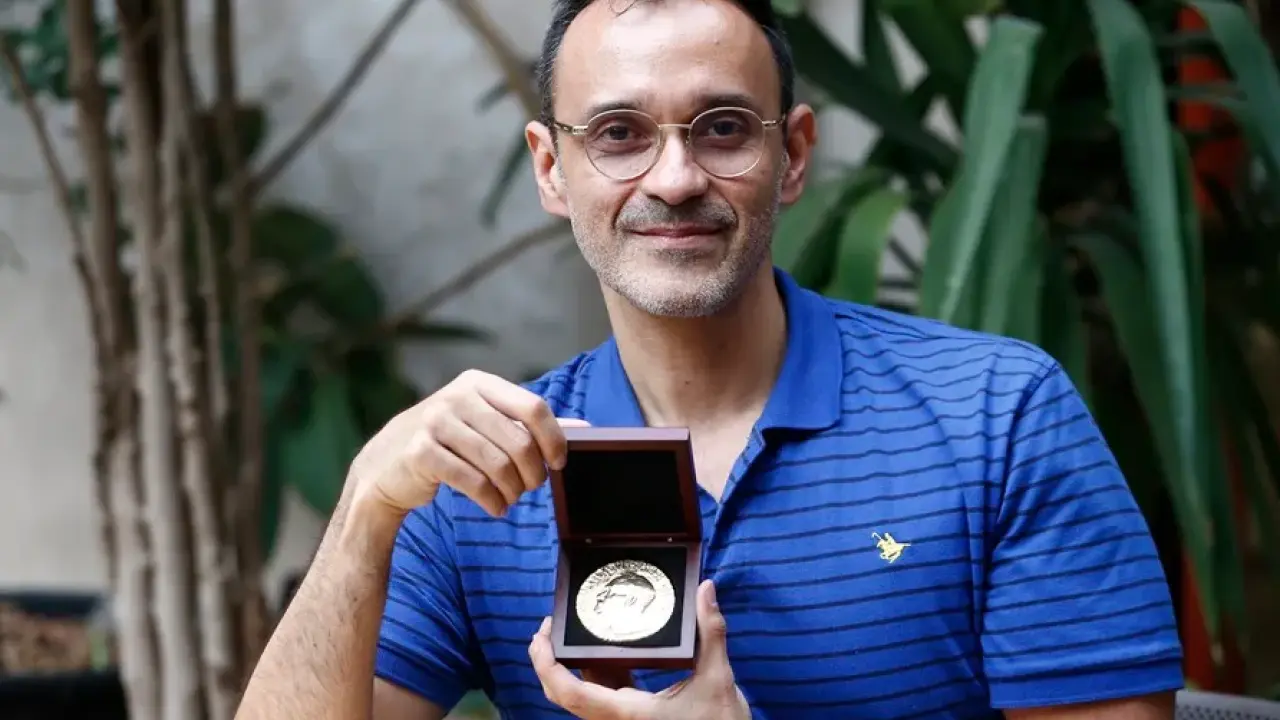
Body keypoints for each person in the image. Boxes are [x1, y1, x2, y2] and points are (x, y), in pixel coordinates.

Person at [235, 0, 1184, 717]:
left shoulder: (998, 416)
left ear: (795, 154)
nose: (676, 177)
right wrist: (365, 510)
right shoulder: (483, 483)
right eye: (619, 134)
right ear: (551, 168)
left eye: (723, 127)